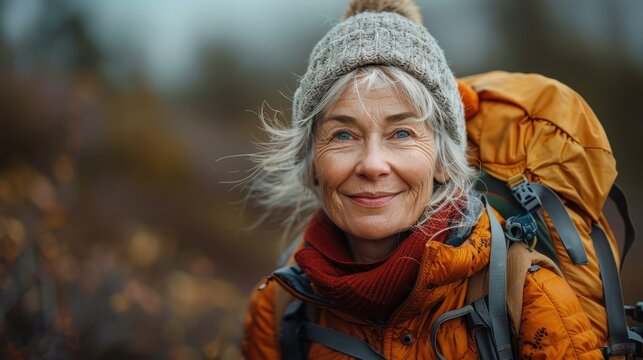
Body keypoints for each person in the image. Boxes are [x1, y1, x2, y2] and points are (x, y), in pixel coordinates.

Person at [241, 0, 602, 358]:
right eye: (343, 135)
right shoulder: (279, 306)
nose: (372, 164)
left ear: (443, 161)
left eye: (401, 133)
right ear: (313, 163)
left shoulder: (528, 298)